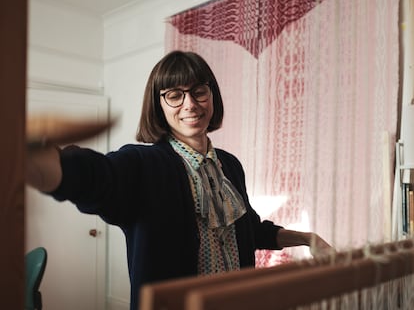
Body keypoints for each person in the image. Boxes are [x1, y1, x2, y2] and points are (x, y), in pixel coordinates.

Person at [27, 50, 332, 310]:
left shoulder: (230, 165)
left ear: (211, 94)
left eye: (199, 91)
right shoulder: (142, 164)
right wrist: (40, 161)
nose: (190, 104)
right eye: (175, 95)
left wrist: (308, 239)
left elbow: (250, 230)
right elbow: (95, 177)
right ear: (159, 104)